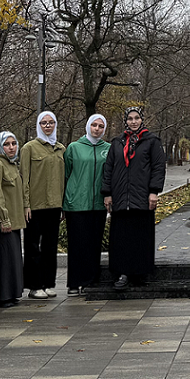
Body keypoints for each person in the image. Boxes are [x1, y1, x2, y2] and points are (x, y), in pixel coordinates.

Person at [104, 107, 166, 290]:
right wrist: (107, 193)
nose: (133, 121)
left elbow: (158, 167)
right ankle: (122, 273)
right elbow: (108, 169)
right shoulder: (117, 142)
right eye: (130, 118)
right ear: (126, 121)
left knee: (141, 236)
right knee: (121, 238)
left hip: (142, 198)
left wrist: (154, 192)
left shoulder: (152, 141)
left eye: (136, 118)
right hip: (121, 198)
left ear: (142, 120)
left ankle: (140, 273)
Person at [21, 111, 65, 300]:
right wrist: (25, 204)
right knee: (33, 246)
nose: (48, 126)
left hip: (54, 206)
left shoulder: (61, 149)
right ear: (39, 125)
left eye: (51, 122)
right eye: (44, 123)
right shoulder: (29, 148)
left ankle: (48, 283)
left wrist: (62, 205)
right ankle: (34, 285)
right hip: (35, 206)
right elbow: (24, 178)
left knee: (50, 246)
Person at [64, 114, 110, 295]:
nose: (97, 129)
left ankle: (90, 281)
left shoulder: (108, 148)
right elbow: (66, 173)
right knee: (77, 244)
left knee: (94, 244)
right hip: (76, 204)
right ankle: (74, 283)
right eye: (94, 125)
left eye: (100, 126)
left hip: (98, 204)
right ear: (87, 126)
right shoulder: (74, 148)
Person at [0, 132, 25, 308]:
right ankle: (1, 296)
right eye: (7, 144)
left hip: (14, 221)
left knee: (12, 259)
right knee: (3, 260)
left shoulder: (12, 165)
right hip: (3, 223)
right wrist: (4, 219)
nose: (11, 147)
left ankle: (11, 293)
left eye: (14, 143)